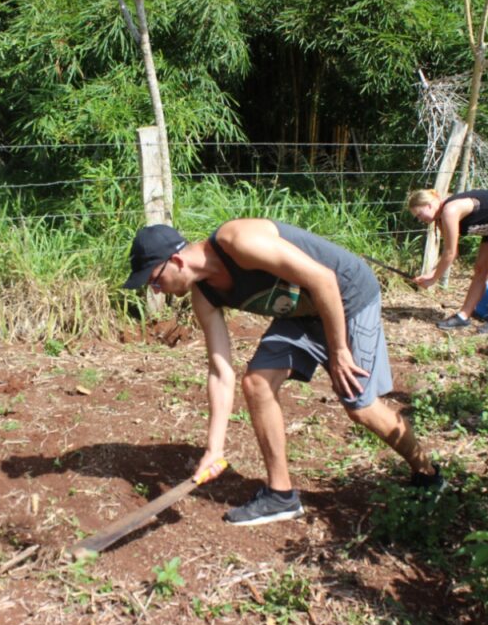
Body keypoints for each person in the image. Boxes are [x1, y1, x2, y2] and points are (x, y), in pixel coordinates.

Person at [123, 220, 442, 526]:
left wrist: (339, 351)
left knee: (359, 404)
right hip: (302, 311)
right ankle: (281, 496)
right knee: (257, 382)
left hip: (345, 295)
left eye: (154, 281)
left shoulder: (239, 242)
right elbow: (221, 372)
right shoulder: (204, 296)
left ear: (176, 260)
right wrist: (214, 449)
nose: (157, 291)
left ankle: (427, 473)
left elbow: (323, 279)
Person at [406, 188, 488, 334]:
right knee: (480, 269)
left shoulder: (450, 211)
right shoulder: (439, 220)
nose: (421, 219)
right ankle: (463, 316)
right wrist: (433, 273)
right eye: (417, 218)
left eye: (420, 214)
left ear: (429, 205)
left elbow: (451, 253)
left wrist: (433, 278)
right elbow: (450, 252)